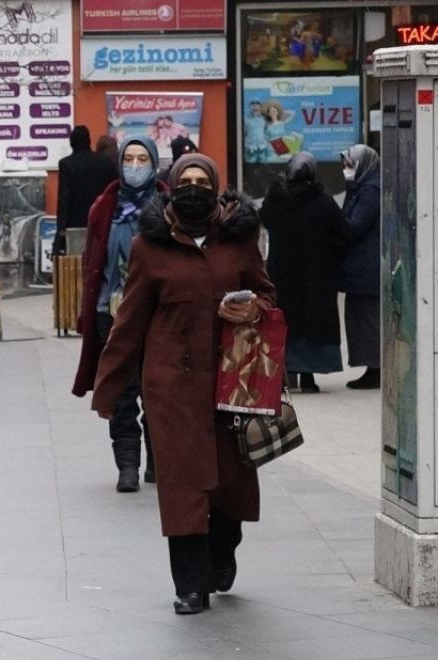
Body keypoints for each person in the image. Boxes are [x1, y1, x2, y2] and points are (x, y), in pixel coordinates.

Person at [92, 153, 275, 615]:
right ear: (171, 187)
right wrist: (109, 387)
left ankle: (222, 552)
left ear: (215, 187)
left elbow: (268, 295)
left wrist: (254, 309)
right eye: (185, 181)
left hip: (234, 382)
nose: (194, 188)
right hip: (171, 386)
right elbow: (129, 319)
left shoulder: (239, 238)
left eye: (202, 181)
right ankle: (190, 585)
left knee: (231, 483)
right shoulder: (149, 247)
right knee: (182, 487)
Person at [72, 137, 167, 493]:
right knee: (123, 393)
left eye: (143, 158)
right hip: (110, 314)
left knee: (157, 390)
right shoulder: (105, 207)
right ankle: (127, 464)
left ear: (155, 162)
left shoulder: (168, 206)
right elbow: (92, 261)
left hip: (158, 316)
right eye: (129, 158)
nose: (136, 165)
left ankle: (158, 461)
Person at [260, 151, 350, 393]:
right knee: (311, 322)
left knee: (286, 321)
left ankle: (286, 374)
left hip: (282, 273)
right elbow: (343, 235)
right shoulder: (323, 202)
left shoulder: (275, 200)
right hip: (316, 275)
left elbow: (264, 220)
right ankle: (308, 377)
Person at [340, 144, 382, 390]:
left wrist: (335, 226)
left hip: (366, 265)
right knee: (360, 317)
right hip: (362, 264)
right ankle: (371, 367)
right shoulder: (361, 187)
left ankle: (374, 368)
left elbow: (356, 225)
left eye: (350, 164)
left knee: (365, 319)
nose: (346, 169)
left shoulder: (369, 191)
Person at [55, 125, 119, 255]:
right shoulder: (105, 161)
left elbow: (64, 198)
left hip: (75, 224)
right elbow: (115, 189)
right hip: (102, 220)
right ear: (89, 140)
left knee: (77, 263)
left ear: (71, 143)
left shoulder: (66, 164)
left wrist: (61, 227)